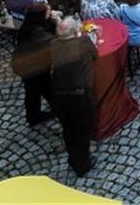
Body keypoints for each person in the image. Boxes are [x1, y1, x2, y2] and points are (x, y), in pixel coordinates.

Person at [50, 17, 97, 176]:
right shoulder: (82, 42)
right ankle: (82, 165)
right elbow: (95, 54)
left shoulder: (53, 45)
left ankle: (73, 158)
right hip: (79, 94)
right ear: (75, 31)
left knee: (68, 129)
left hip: (58, 94)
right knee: (82, 130)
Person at [11, 1, 58, 126]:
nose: (51, 12)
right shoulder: (38, 34)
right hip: (32, 67)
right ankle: (35, 115)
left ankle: (49, 108)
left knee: (41, 88)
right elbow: (54, 42)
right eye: (48, 11)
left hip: (31, 64)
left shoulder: (30, 24)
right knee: (36, 90)